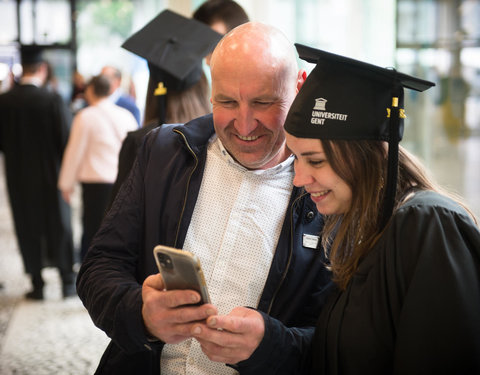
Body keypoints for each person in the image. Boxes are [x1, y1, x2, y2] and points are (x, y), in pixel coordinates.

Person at [76, 22, 332, 374]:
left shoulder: (327, 189)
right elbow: (99, 266)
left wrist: (271, 345)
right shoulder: (164, 151)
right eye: (227, 101)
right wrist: (140, 313)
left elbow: (344, 341)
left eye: (263, 102)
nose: (244, 125)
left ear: (299, 87)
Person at [283, 44, 480, 374]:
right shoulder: (365, 235)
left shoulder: (428, 226)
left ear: (364, 154)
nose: (300, 179)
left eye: (315, 160)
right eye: (295, 159)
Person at [108, 9, 224, 204]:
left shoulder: (143, 142)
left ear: (154, 88)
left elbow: (117, 216)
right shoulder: (217, 140)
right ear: (203, 86)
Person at [0, 45, 76, 299]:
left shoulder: (4, 101)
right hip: (51, 172)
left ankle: (37, 283)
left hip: (19, 175)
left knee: (27, 224)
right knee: (59, 222)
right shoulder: (52, 99)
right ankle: (66, 280)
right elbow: (66, 138)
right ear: (42, 69)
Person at [58, 75, 137, 261]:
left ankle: (91, 270)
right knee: (118, 229)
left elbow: (74, 152)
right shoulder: (125, 115)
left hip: (95, 183)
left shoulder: (85, 116)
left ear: (90, 91)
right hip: (123, 181)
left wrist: (65, 184)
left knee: (93, 229)